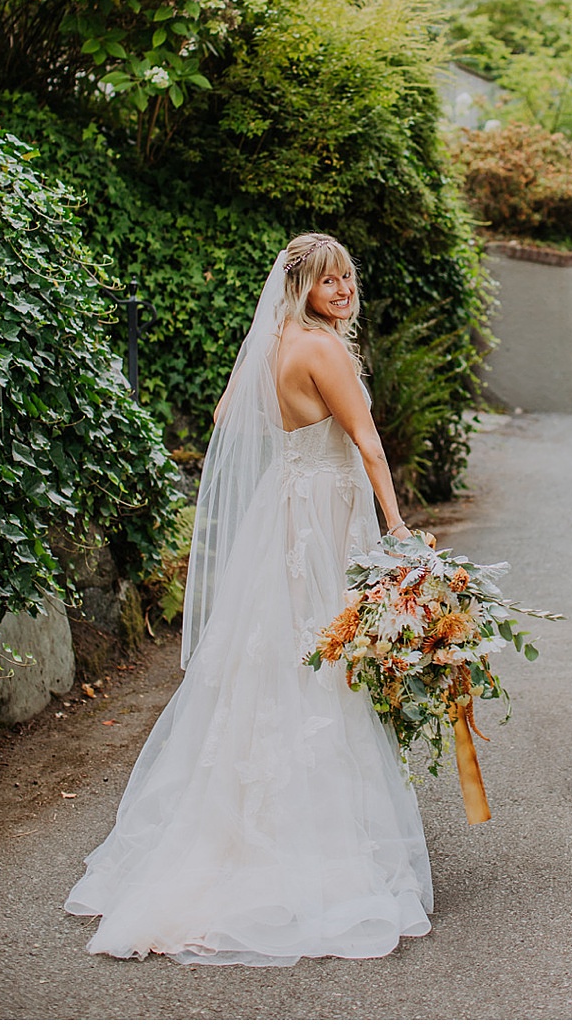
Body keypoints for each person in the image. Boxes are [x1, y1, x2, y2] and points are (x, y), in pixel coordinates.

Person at [65, 233, 433, 963]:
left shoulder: (274, 342)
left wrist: (294, 444)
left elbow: (228, 417)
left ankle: (238, 829)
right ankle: (314, 846)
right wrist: (397, 528)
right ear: (301, 286)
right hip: (324, 515)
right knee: (322, 663)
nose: (345, 292)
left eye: (349, 280)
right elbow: (367, 443)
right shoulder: (323, 350)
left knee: (275, 660)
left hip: (284, 510)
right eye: (331, 283)